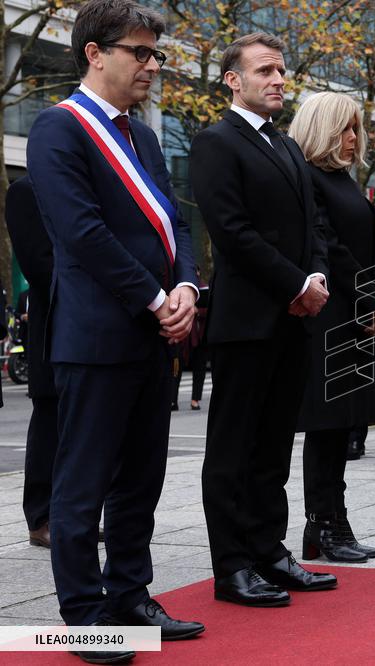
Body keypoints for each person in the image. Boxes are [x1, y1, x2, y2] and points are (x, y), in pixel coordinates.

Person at [25, 0, 204, 653]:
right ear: (95, 53)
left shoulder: (144, 136)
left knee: (141, 480)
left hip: (153, 337)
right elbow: (83, 235)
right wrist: (156, 299)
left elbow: (174, 224)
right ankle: (84, 614)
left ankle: (131, 594)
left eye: (155, 54)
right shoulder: (57, 131)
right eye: (139, 52)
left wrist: (186, 285)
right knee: (84, 483)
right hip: (98, 337)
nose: (151, 65)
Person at [191, 32, 337, 607]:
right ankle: (231, 567)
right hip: (248, 321)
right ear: (234, 79)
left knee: (274, 445)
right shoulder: (214, 142)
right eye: (265, 71)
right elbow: (232, 232)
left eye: (281, 70)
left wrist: (317, 276)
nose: (279, 80)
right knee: (233, 448)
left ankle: (268, 552)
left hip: (293, 321)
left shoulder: (288, 145)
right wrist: (295, 283)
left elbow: (313, 227)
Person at [288, 91, 375, 563]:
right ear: (323, 127)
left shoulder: (346, 179)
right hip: (329, 317)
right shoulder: (307, 178)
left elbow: (371, 242)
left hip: (357, 314)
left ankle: (334, 522)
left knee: (344, 425)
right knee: (326, 426)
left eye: (356, 128)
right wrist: (372, 292)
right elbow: (327, 245)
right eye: (346, 128)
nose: (354, 138)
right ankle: (322, 525)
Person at [6, 178, 57, 550]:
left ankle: (75, 514)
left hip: (95, 325)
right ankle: (42, 518)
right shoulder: (27, 190)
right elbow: (39, 265)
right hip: (53, 325)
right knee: (50, 420)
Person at [170, 265, 209, 410]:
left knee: (199, 369)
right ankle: (173, 400)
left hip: (199, 336)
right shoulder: (179, 287)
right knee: (176, 369)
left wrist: (198, 311)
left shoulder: (204, 288)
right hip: (182, 338)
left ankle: (195, 399)